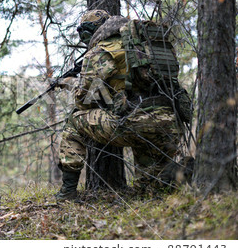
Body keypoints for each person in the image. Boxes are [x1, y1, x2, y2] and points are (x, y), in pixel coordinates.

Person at [55, 10, 192, 201]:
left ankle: (67, 192)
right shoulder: (145, 45)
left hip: (133, 122)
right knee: (151, 192)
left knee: (74, 120)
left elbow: (84, 100)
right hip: (169, 123)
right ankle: (184, 175)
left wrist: (71, 83)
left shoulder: (102, 50)